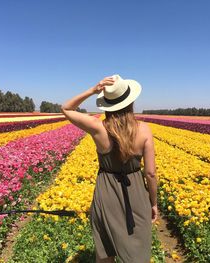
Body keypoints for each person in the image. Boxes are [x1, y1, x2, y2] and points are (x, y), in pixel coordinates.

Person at [61, 74, 158, 263]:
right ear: (130, 102)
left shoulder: (98, 127)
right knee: (138, 245)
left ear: (107, 103)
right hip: (135, 192)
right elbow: (150, 173)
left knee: (105, 250)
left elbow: (66, 108)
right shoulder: (144, 130)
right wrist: (153, 203)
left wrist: (92, 90)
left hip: (106, 192)